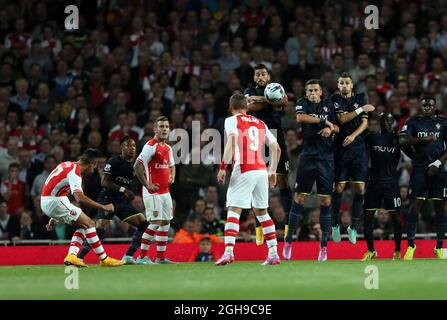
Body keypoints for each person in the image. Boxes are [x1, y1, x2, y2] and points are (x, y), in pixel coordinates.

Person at [215, 93, 281, 266]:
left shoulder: (232, 120)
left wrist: (223, 167)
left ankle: (228, 252)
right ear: (247, 106)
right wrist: (272, 170)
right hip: (261, 170)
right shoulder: (260, 123)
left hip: (244, 168)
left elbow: (231, 141)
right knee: (262, 212)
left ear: (231, 107)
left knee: (234, 209)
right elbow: (276, 148)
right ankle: (273, 253)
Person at [283, 79, 340, 262]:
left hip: (326, 159)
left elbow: (338, 127)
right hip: (308, 157)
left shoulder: (329, 104)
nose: (313, 93)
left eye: (316, 90)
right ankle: (288, 241)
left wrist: (331, 130)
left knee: (325, 200)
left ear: (321, 92)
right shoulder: (302, 103)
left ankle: (323, 246)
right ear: (306, 93)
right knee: (299, 197)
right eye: (310, 90)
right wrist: (324, 121)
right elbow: (301, 118)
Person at [41, 148, 124, 267]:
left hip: (51, 201)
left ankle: (72, 256)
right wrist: (103, 206)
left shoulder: (67, 164)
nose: (94, 169)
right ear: (91, 164)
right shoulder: (75, 172)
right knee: (90, 223)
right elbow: (79, 197)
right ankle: (104, 259)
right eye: (95, 166)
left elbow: (57, 189)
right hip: (54, 202)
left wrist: (54, 216)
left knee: (84, 226)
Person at [76, 136, 153, 265]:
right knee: (100, 229)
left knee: (144, 225)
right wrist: (124, 190)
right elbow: (104, 182)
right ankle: (79, 257)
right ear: (122, 147)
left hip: (122, 202)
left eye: (134, 146)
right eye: (129, 146)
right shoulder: (113, 161)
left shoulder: (134, 166)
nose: (132, 148)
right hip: (108, 198)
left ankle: (128, 256)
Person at [245, 64, 291, 245]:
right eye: (257, 74)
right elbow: (249, 105)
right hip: (257, 139)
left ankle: (288, 225)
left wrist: (264, 100)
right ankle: (259, 227)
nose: (260, 77)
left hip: (276, 137)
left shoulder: (277, 88)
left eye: (263, 74)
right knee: (259, 184)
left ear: (269, 76)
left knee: (283, 182)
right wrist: (269, 99)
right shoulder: (250, 90)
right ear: (254, 77)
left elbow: (283, 101)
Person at [399, 96, 447, 260]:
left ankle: (440, 247)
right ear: (420, 106)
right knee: (415, 205)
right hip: (419, 170)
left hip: (438, 170)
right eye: (424, 105)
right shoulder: (412, 121)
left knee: (440, 206)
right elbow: (402, 140)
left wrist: (438, 163)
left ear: (435, 107)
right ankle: (411, 246)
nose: (427, 107)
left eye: (430, 105)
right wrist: (422, 141)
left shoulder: (443, 123)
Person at [330, 72, 375, 244]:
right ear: (338, 85)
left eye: (347, 82)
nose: (344, 85)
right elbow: (342, 119)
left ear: (352, 85)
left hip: (358, 149)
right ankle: (334, 224)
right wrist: (361, 109)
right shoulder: (335, 100)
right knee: (339, 188)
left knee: (360, 190)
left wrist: (354, 136)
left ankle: (353, 227)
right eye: (341, 82)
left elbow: (364, 123)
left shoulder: (361, 97)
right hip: (341, 149)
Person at [134, 116, 176, 264]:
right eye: (161, 127)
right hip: (152, 192)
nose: (164, 129)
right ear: (155, 129)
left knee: (165, 223)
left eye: (166, 126)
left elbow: (172, 165)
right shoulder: (150, 146)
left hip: (165, 192)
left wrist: (172, 175)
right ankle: (141, 257)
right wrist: (147, 185)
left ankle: (160, 257)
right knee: (156, 222)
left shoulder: (168, 148)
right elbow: (137, 166)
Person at [362, 112, 403, 261]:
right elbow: (359, 147)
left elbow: (412, 150)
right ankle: (371, 250)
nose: (387, 122)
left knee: (396, 218)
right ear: (380, 122)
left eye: (390, 120)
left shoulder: (398, 139)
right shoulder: (372, 137)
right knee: (367, 217)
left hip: (391, 183)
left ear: (393, 123)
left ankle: (397, 250)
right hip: (374, 183)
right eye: (384, 120)